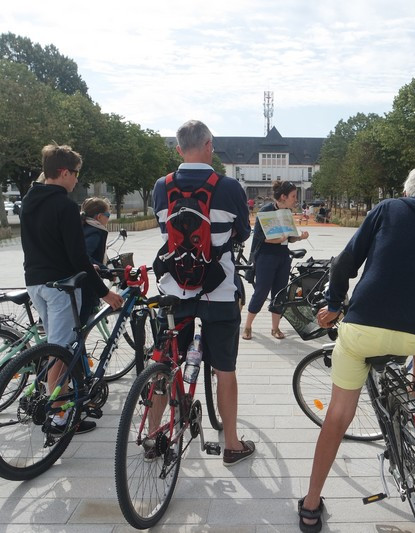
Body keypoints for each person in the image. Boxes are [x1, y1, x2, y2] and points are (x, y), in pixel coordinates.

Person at [298, 166, 415, 532]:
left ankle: (311, 505)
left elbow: (346, 261)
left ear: (408, 193)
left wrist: (335, 301)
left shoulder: (389, 209)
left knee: (339, 415)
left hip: (364, 330)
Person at [152, 119, 255, 466]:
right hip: (219, 291)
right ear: (209, 145)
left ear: (179, 149)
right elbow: (243, 233)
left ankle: (153, 436)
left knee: (165, 363)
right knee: (225, 369)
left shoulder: (161, 186)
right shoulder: (230, 188)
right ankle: (231, 444)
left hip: (173, 291)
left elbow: (164, 232)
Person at [21, 144, 124, 435]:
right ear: (63, 172)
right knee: (62, 351)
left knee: (54, 343)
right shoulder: (65, 206)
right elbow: (79, 259)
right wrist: (105, 293)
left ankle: (54, 399)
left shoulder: (29, 200)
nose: (77, 179)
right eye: (75, 173)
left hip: (35, 282)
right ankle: (58, 416)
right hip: (61, 287)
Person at [242, 180, 309, 340]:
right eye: (293, 196)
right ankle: (248, 326)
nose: (295, 199)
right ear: (284, 196)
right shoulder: (266, 211)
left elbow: (289, 239)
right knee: (261, 292)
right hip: (266, 257)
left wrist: (300, 237)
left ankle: (275, 328)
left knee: (280, 293)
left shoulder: (287, 213)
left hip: (283, 257)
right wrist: (279, 239)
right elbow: (260, 237)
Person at [79, 197, 113, 325]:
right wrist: (104, 269)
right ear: (99, 217)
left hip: (83, 282)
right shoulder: (95, 232)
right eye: (108, 215)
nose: (109, 218)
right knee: (82, 326)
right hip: (86, 283)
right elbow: (86, 256)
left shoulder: (84, 227)